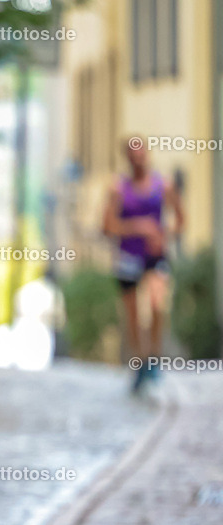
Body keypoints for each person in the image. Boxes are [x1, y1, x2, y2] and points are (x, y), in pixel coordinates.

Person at [102, 139, 184, 393]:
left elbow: (181, 219)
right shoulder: (118, 189)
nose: (138, 160)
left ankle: (154, 359)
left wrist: (163, 235)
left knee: (158, 304)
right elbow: (107, 226)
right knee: (134, 316)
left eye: (142, 155)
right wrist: (138, 227)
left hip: (154, 256)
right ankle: (139, 363)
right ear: (127, 159)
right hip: (127, 257)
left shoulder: (164, 185)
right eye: (133, 156)